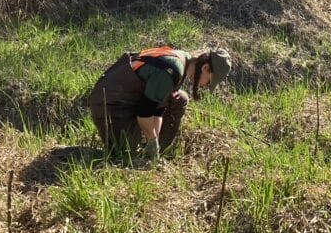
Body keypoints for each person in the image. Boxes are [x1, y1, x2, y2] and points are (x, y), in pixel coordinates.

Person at [88, 45, 232, 162]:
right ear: (205, 68)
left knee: (179, 98)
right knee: (125, 158)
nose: (205, 86)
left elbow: (158, 109)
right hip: (111, 103)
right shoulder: (173, 69)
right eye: (209, 82)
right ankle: (71, 154)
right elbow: (144, 113)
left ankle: (152, 154)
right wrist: (152, 140)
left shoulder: (182, 62)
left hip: (131, 100)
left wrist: (154, 143)